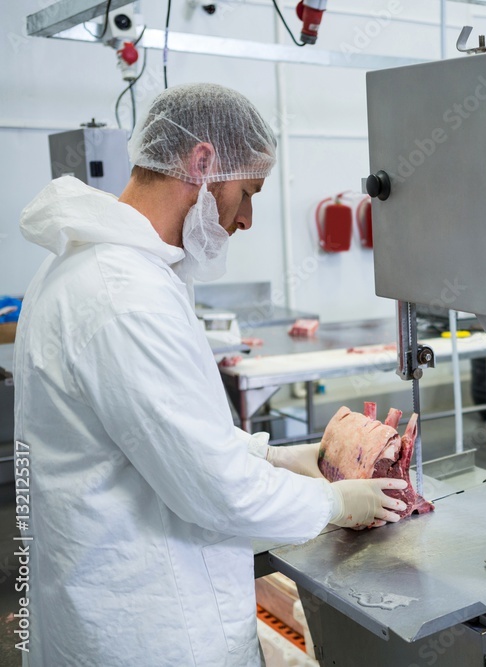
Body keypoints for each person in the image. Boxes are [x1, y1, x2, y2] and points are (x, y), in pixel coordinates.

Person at [15, 83, 407, 666]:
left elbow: (161, 438)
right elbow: (213, 489)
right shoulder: (125, 297)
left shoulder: (78, 266)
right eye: (247, 192)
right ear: (203, 163)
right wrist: (332, 505)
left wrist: (277, 457)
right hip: (151, 623)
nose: (247, 218)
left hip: (98, 594)